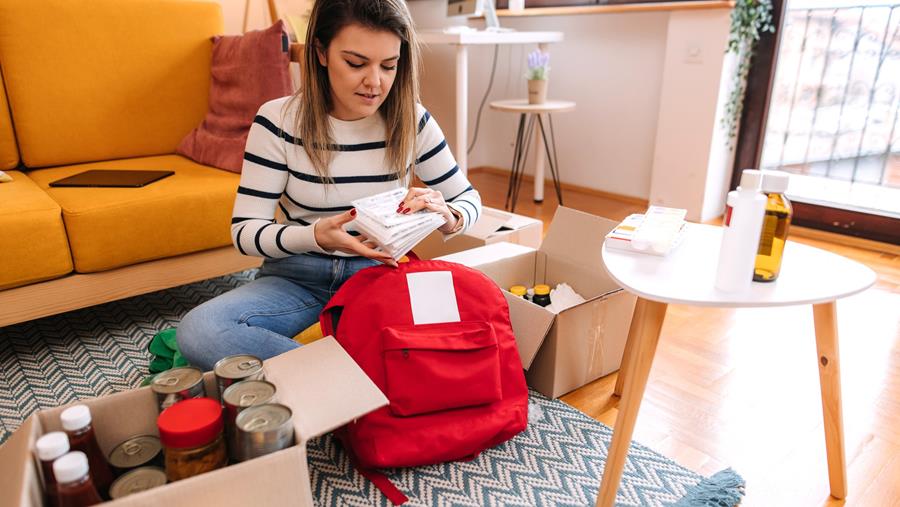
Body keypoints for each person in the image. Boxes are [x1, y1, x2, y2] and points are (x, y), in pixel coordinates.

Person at [178, 0, 482, 371]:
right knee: (200, 330)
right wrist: (317, 236)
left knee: (463, 324)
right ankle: (349, 379)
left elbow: (468, 199)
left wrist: (448, 215)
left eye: (389, 65)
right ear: (320, 52)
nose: (375, 82)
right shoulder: (278, 120)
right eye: (356, 64)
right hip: (297, 276)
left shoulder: (411, 119)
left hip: (376, 276)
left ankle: (337, 381)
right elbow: (245, 231)